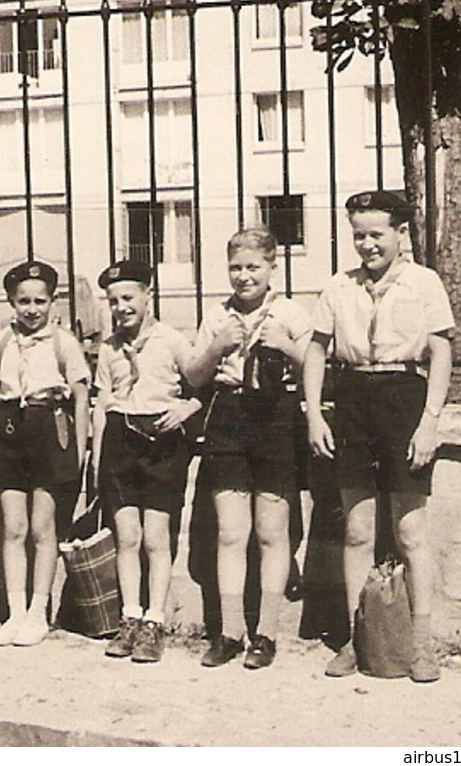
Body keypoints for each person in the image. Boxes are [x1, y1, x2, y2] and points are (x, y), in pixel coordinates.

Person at [304, 190, 453, 683]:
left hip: (403, 397)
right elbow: (317, 352)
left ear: (401, 233)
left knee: (409, 530)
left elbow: (441, 353)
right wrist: (314, 415)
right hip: (351, 398)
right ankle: (355, 636)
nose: (366, 244)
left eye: (376, 234)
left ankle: (421, 642)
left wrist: (430, 420)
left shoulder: (423, 283)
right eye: (358, 235)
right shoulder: (338, 287)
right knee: (358, 529)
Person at [183, 228, 311, 669]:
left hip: (276, 418)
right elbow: (195, 378)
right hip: (229, 418)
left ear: (272, 267)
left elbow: (320, 369)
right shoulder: (216, 316)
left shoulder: (291, 313)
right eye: (236, 267)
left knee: (272, 532)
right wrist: (217, 348)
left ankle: (267, 634)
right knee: (231, 532)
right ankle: (230, 631)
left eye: (253, 267)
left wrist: (287, 346)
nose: (243, 276)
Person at [0, 260, 91, 646]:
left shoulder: (62, 343)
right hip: (7, 430)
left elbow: (83, 395)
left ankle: (39, 611)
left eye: (40, 301)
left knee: (43, 527)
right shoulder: (0, 342)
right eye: (24, 301)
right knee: (14, 526)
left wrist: (81, 450)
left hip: (49, 428)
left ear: (53, 302)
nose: (32, 309)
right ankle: (15, 612)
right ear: (11, 301)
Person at [93, 259, 202, 664]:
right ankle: (129, 618)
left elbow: (199, 387)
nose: (121, 307)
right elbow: (104, 401)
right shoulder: (108, 348)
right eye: (113, 300)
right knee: (127, 537)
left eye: (128, 297)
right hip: (121, 440)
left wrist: (184, 411)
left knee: (156, 537)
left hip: (161, 440)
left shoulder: (173, 341)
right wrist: (97, 455)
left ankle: (154, 620)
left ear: (148, 296)